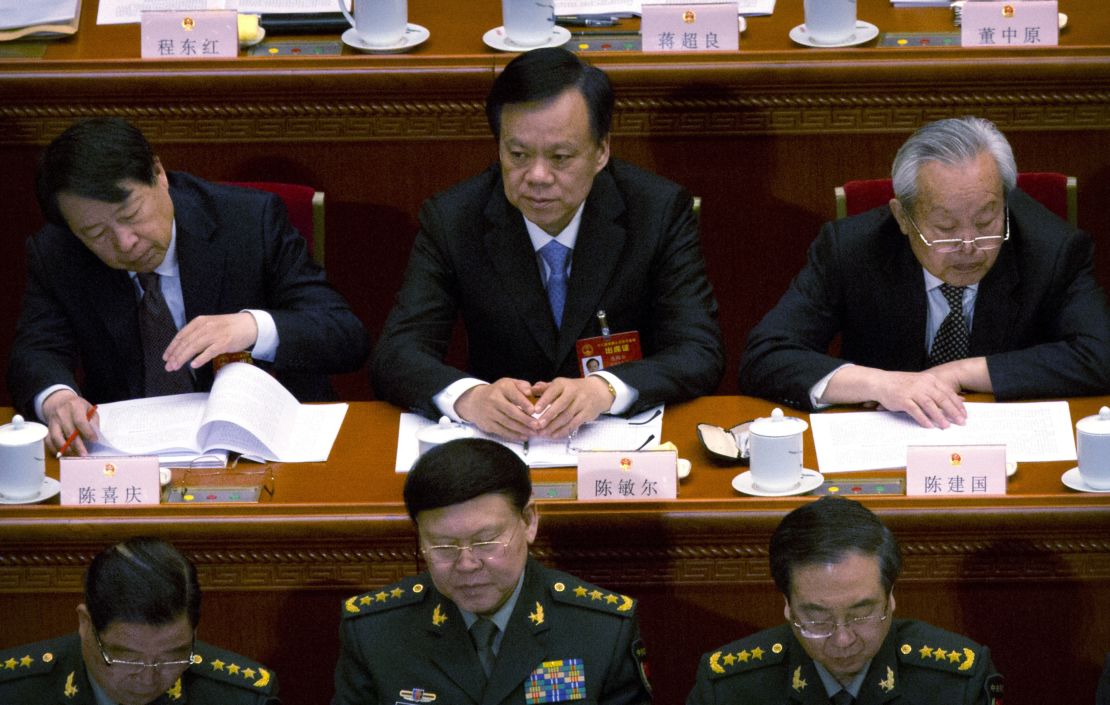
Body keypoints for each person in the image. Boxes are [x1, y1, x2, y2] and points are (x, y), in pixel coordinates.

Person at [371, 47, 723, 442]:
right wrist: (470, 397)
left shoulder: (655, 212)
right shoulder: (454, 219)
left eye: (560, 157)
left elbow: (698, 351)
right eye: (517, 154)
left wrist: (605, 389)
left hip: (620, 442)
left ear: (601, 150)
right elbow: (397, 353)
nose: (537, 176)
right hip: (500, 446)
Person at [8, 117, 371, 455]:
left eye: (131, 215)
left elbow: (344, 335)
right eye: (96, 233)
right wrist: (57, 398)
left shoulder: (248, 221)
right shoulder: (57, 252)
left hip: (256, 447)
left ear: (159, 173)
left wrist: (251, 326)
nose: (125, 242)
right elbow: (36, 351)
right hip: (126, 454)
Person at [739, 116, 1110, 429]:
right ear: (903, 217)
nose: (969, 245)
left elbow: (1100, 354)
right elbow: (766, 356)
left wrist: (962, 372)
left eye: (986, 221)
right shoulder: (851, 249)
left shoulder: (1052, 249)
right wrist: (880, 383)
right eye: (946, 228)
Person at [332, 437, 652, 705]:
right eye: (444, 546)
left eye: (485, 542)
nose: (467, 564)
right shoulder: (374, 633)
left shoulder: (602, 630)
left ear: (529, 521)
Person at [687, 497, 1002, 705]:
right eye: (818, 618)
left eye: (861, 614)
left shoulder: (957, 682)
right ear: (787, 605)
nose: (842, 639)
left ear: (890, 598)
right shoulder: (729, 689)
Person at [0, 536, 280, 705]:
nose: (148, 679)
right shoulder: (13, 692)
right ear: (86, 624)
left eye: (172, 657)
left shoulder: (241, 698)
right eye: (127, 658)